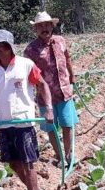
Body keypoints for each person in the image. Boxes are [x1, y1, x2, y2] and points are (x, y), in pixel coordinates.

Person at [0, 29, 54, 190]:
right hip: (2, 122)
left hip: (23, 120)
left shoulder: (25, 65)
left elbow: (42, 85)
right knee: (13, 163)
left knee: (28, 162)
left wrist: (48, 109)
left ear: (9, 47)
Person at [24, 11, 78, 166]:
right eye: (40, 26)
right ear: (36, 30)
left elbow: (67, 58)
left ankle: (68, 155)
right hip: (45, 97)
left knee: (67, 125)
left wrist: (72, 76)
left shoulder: (60, 41)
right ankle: (60, 156)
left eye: (47, 25)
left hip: (64, 92)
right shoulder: (30, 50)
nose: (44, 28)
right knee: (51, 128)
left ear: (52, 26)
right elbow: (27, 73)